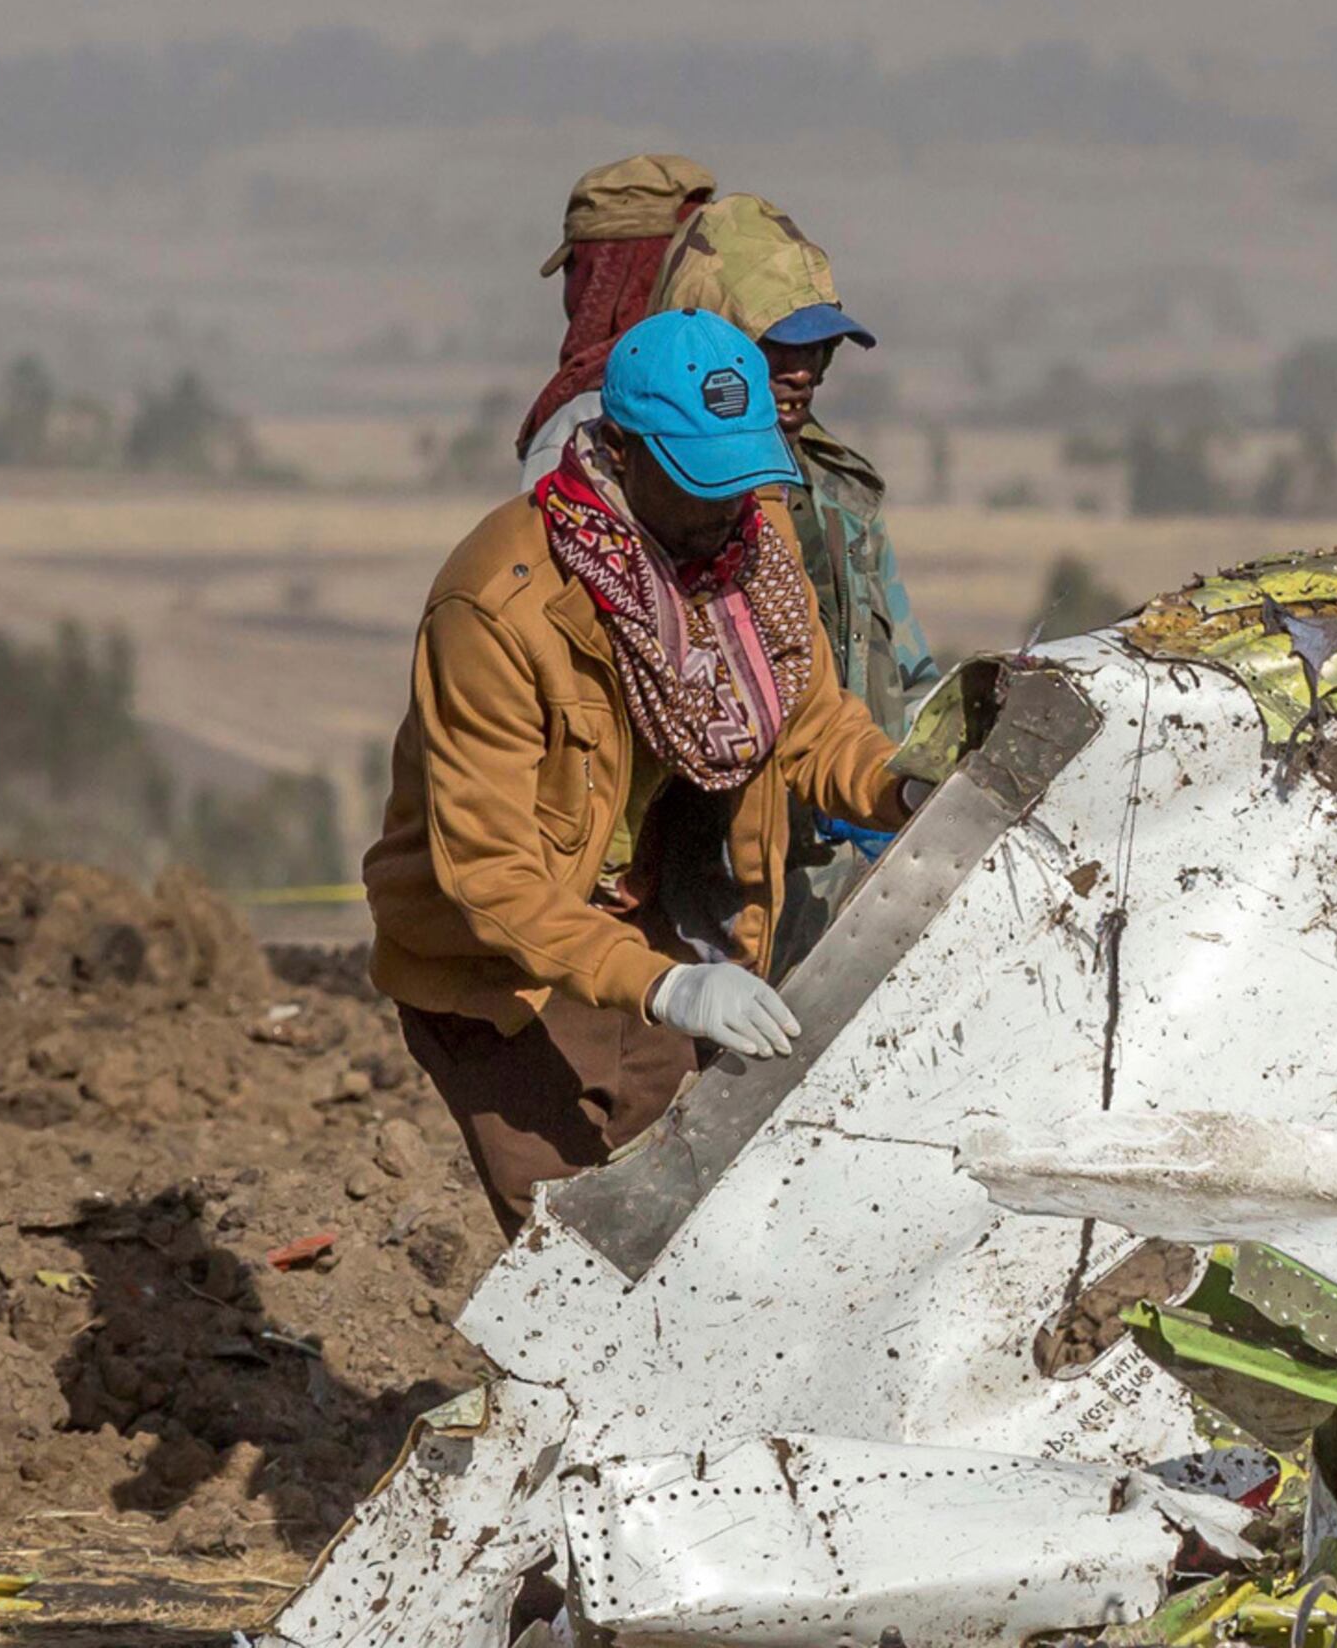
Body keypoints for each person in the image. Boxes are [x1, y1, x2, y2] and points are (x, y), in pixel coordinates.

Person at [366, 310, 923, 1230]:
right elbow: (490, 874)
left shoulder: (750, 550)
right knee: (572, 1249)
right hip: (503, 974)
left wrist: (906, 788)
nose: (725, 509)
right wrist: (668, 988)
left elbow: (812, 723)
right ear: (620, 453)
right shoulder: (500, 606)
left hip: (648, 921)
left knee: (685, 1223)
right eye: (699, 481)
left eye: (741, 479)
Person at [646, 195, 946, 961]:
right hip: (708, 880)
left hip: (845, 861)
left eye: (819, 348)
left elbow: (901, 668)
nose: (803, 369)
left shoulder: (837, 491)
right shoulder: (656, 503)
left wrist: (913, 779)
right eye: (775, 347)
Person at [517, 153, 718, 483]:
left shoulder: (586, 420)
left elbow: (538, 532)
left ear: (599, 274)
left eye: (575, 270)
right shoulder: (741, 395)